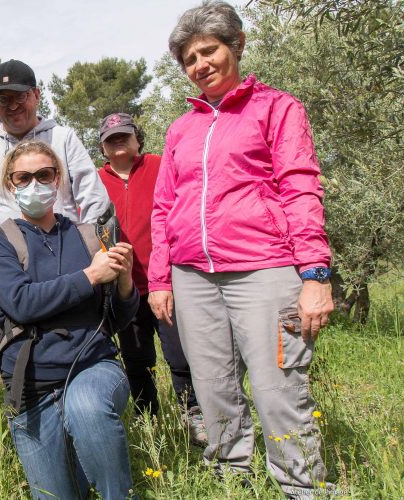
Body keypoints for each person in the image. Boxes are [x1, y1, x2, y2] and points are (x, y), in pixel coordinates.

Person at [150, 2, 334, 497]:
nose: (200, 65)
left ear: (237, 45)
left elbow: (300, 188)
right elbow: (165, 206)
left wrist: (315, 275)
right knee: (212, 390)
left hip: (265, 268)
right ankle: (231, 482)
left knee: (278, 390)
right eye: (189, 59)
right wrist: (161, 279)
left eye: (208, 51)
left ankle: (302, 487)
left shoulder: (277, 107)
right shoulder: (180, 129)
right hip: (193, 275)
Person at [0, 141, 138, 499]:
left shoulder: (87, 235)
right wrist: (90, 277)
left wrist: (125, 283)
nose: (34, 183)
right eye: (24, 177)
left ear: (58, 179)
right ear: (10, 183)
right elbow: (20, 303)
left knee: (87, 407)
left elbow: (114, 320)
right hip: (32, 388)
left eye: (44, 174)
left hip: (91, 366)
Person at [97, 112, 207, 444]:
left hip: (166, 283)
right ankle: (150, 421)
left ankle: (194, 415)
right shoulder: (94, 180)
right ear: (102, 146)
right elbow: (90, 223)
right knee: (136, 358)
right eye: (110, 138)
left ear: (137, 139)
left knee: (179, 354)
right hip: (124, 288)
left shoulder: (160, 166)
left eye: (124, 136)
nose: (118, 143)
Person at [0, 59, 110, 242]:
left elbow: (94, 198)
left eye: (20, 96)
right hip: (7, 258)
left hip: (64, 252)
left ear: (37, 95)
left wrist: (89, 245)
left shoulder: (64, 138)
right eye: (3, 99)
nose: (13, 106)